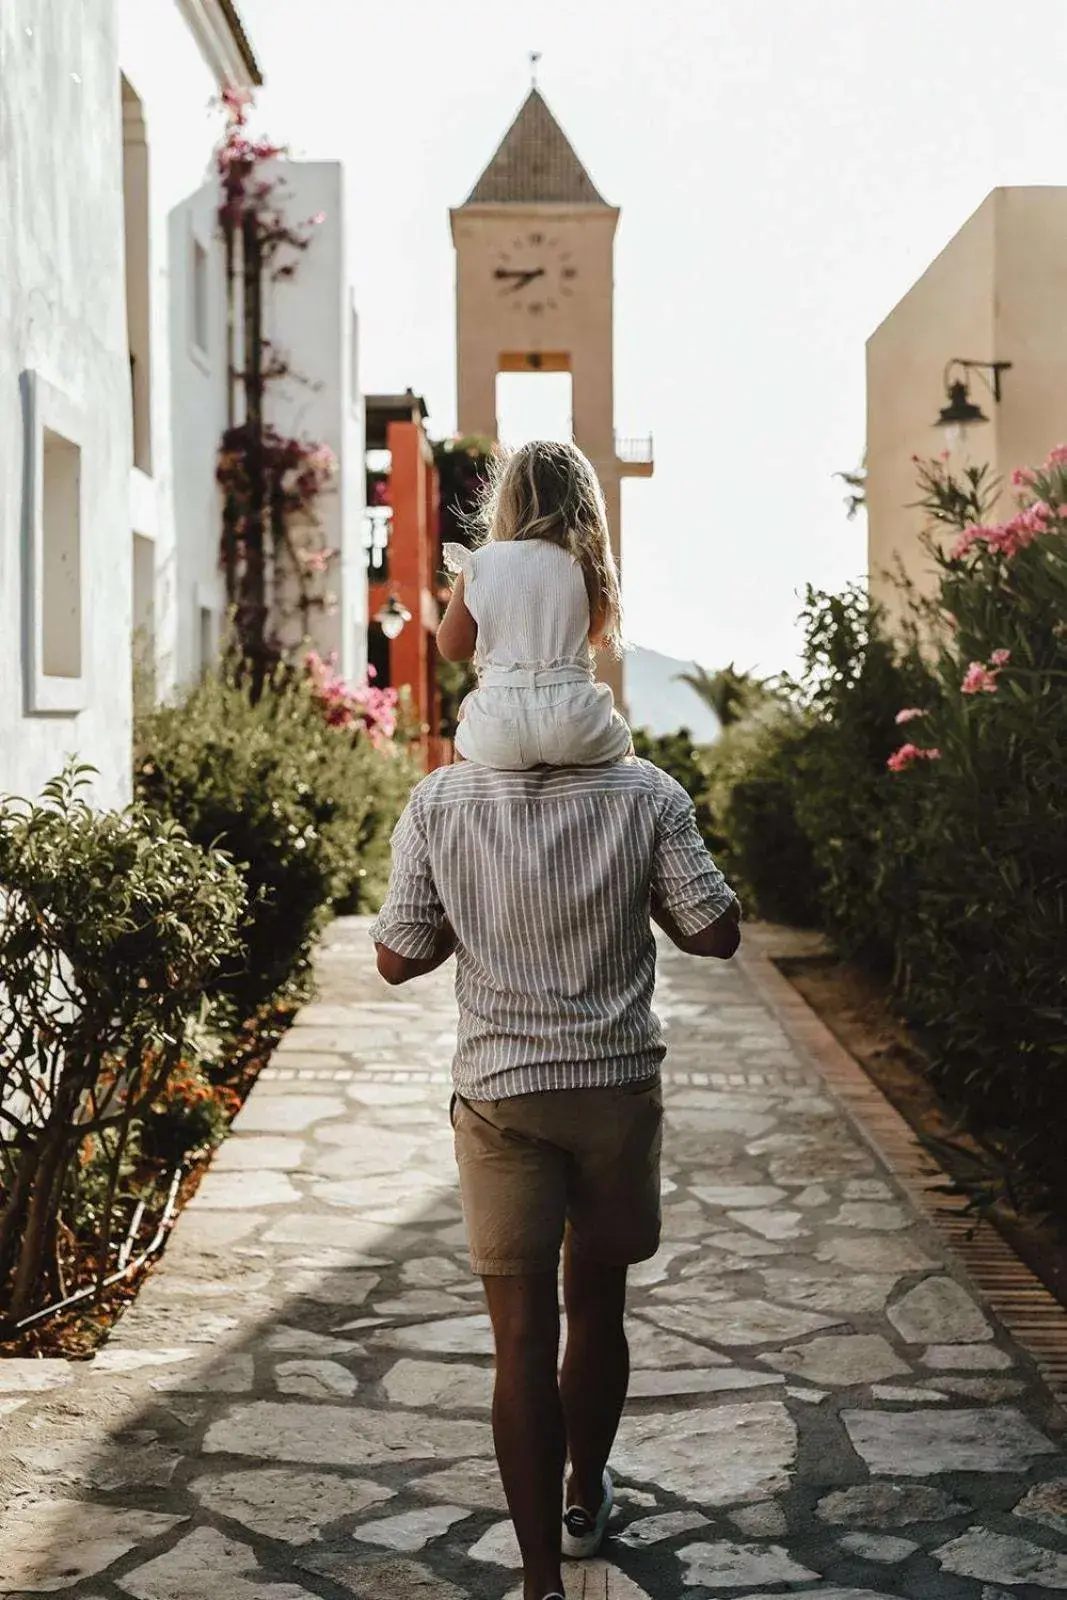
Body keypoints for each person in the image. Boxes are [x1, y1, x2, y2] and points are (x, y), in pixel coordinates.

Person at [370, 752, 741, 1600]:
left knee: (521, 1342)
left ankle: (540, 1583)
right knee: (597, 1306)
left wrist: (482, 906)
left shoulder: (439, 800)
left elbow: (398, 956)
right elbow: (715, 934)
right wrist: (635, 889)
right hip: (611, 1085)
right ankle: (583, 1495)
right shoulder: (646, 791)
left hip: (503, 1094)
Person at [436, 439, 633, 770]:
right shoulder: (584, 562)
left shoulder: (480, 564)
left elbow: (451, 647)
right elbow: (600, 633)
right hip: (576, 722)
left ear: (507, 502)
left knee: (465, 743)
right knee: (625, 748)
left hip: (499, 727)